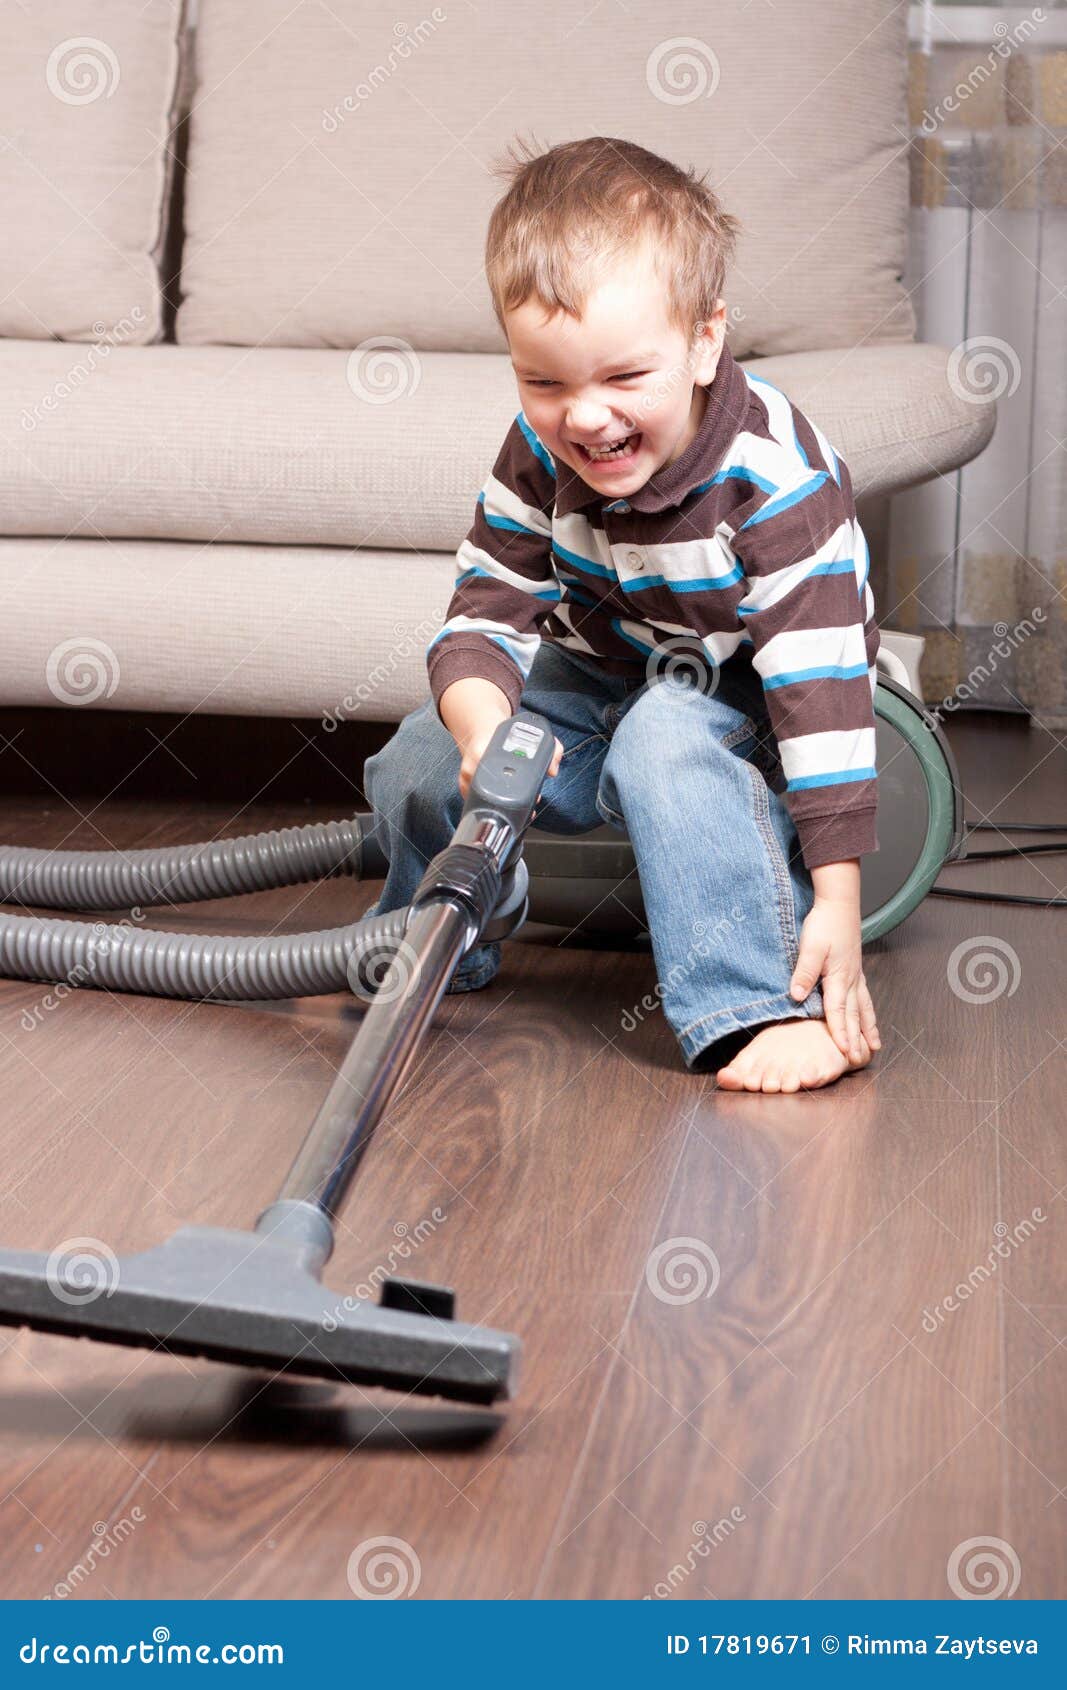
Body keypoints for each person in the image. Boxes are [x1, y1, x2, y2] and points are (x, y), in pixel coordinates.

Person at [363, 135, 882, 1092]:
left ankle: (758, 1006)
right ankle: (433, 948)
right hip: (596, 669)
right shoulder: (538, 447)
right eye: (545, 381)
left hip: (750, 688)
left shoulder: (773, 485)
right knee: (418, 763)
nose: (585, 419)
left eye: (621, 379)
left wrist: (838, 900)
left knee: (662, 744)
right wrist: (482, 730)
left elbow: (821, 696)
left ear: (703, 340)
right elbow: (488, 602)